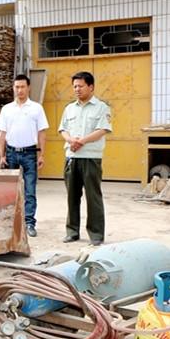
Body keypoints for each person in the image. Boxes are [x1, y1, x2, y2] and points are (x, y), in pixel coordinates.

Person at [58, 71, 112, 246]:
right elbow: (62, 129)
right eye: (74, 86)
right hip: (71, 157)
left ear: (91, 86)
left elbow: (102, 130)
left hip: (91, 158)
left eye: (80, 86)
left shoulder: (101, 107)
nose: (77, 89)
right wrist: (70, 140)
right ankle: (72, 232)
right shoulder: (69, 108)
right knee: (72, 197)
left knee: (93, 197)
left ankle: (96, 235)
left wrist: (81, 141)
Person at [0, 74, 49, 238]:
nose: (19, 90)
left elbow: (42, 133)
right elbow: (2, 134)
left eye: (22, 87)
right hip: (11, 153)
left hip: (30, 154)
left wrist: (42, 155)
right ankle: (11, 222)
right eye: (17, 87)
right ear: (13, 88)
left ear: (28, 88)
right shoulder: (7, 109)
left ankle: (30, 223)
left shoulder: (36, 108)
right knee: (11, 190)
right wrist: (2, 155)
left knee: (30, 190)